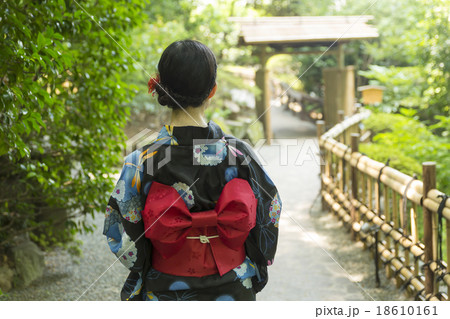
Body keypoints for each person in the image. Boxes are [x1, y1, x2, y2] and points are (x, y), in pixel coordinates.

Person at [103, 40, 281, 301]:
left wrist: (148, 260)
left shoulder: (141, 161)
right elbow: (271, 209)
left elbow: (118, 229)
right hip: (234, 288)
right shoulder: (239, 154)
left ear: (161, 87)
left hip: (165, 289)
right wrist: (254, 260)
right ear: (213, 91)